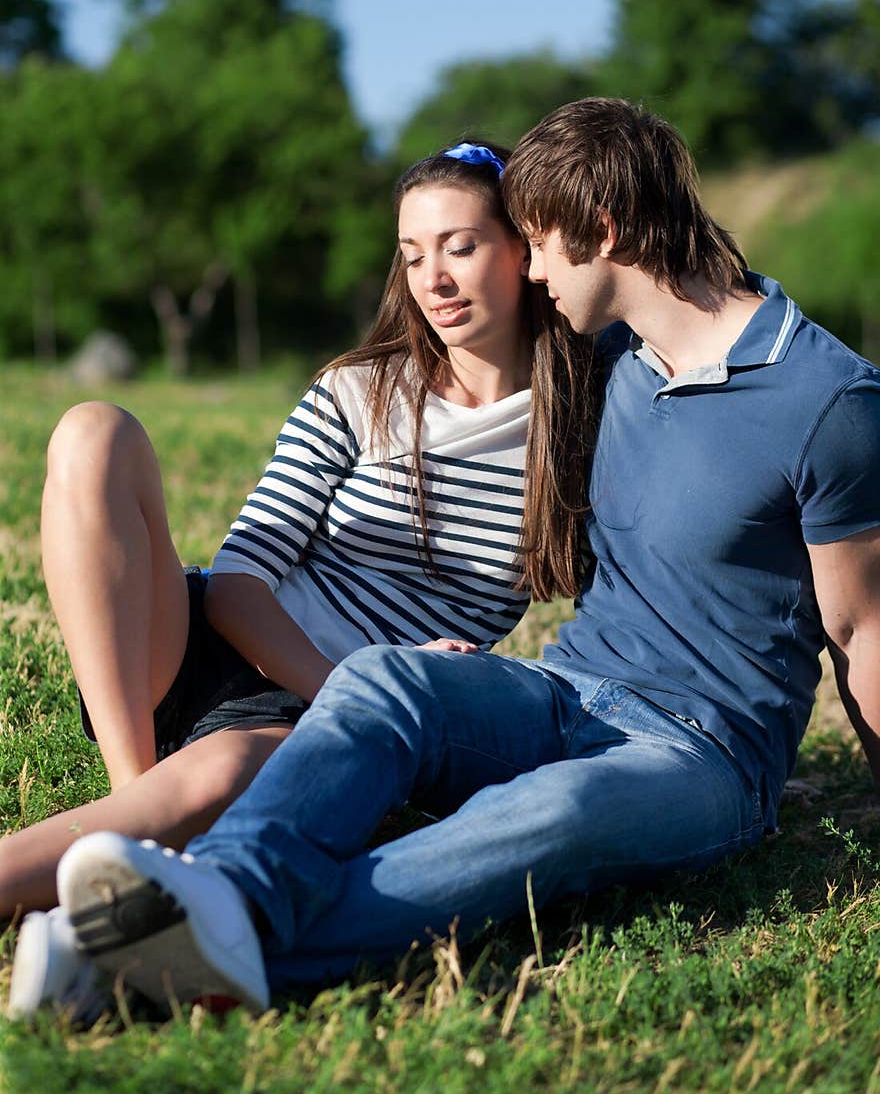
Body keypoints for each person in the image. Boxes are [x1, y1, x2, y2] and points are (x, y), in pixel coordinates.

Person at [21, 95, 880, 1019]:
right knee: (392, 683)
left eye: (536, 243)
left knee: (553, 814)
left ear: (603, 230)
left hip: (700, 749)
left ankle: (179, 946)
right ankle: (223, 892)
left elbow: (861, 625)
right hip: (567, 691)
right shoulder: (619, 360)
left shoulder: (827, 401)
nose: (534, 269)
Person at [4, 139, 596, 1019]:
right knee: (93, 430)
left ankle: (130, 863)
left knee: (207, 785)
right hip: (221, 653)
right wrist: (350, 685)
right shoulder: (361, 390)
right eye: (412, 253)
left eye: (461, 246)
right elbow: (241, 581)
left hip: (315, 726)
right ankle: (134, 810)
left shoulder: (577, 428)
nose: (434, 277)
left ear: (527, 248)